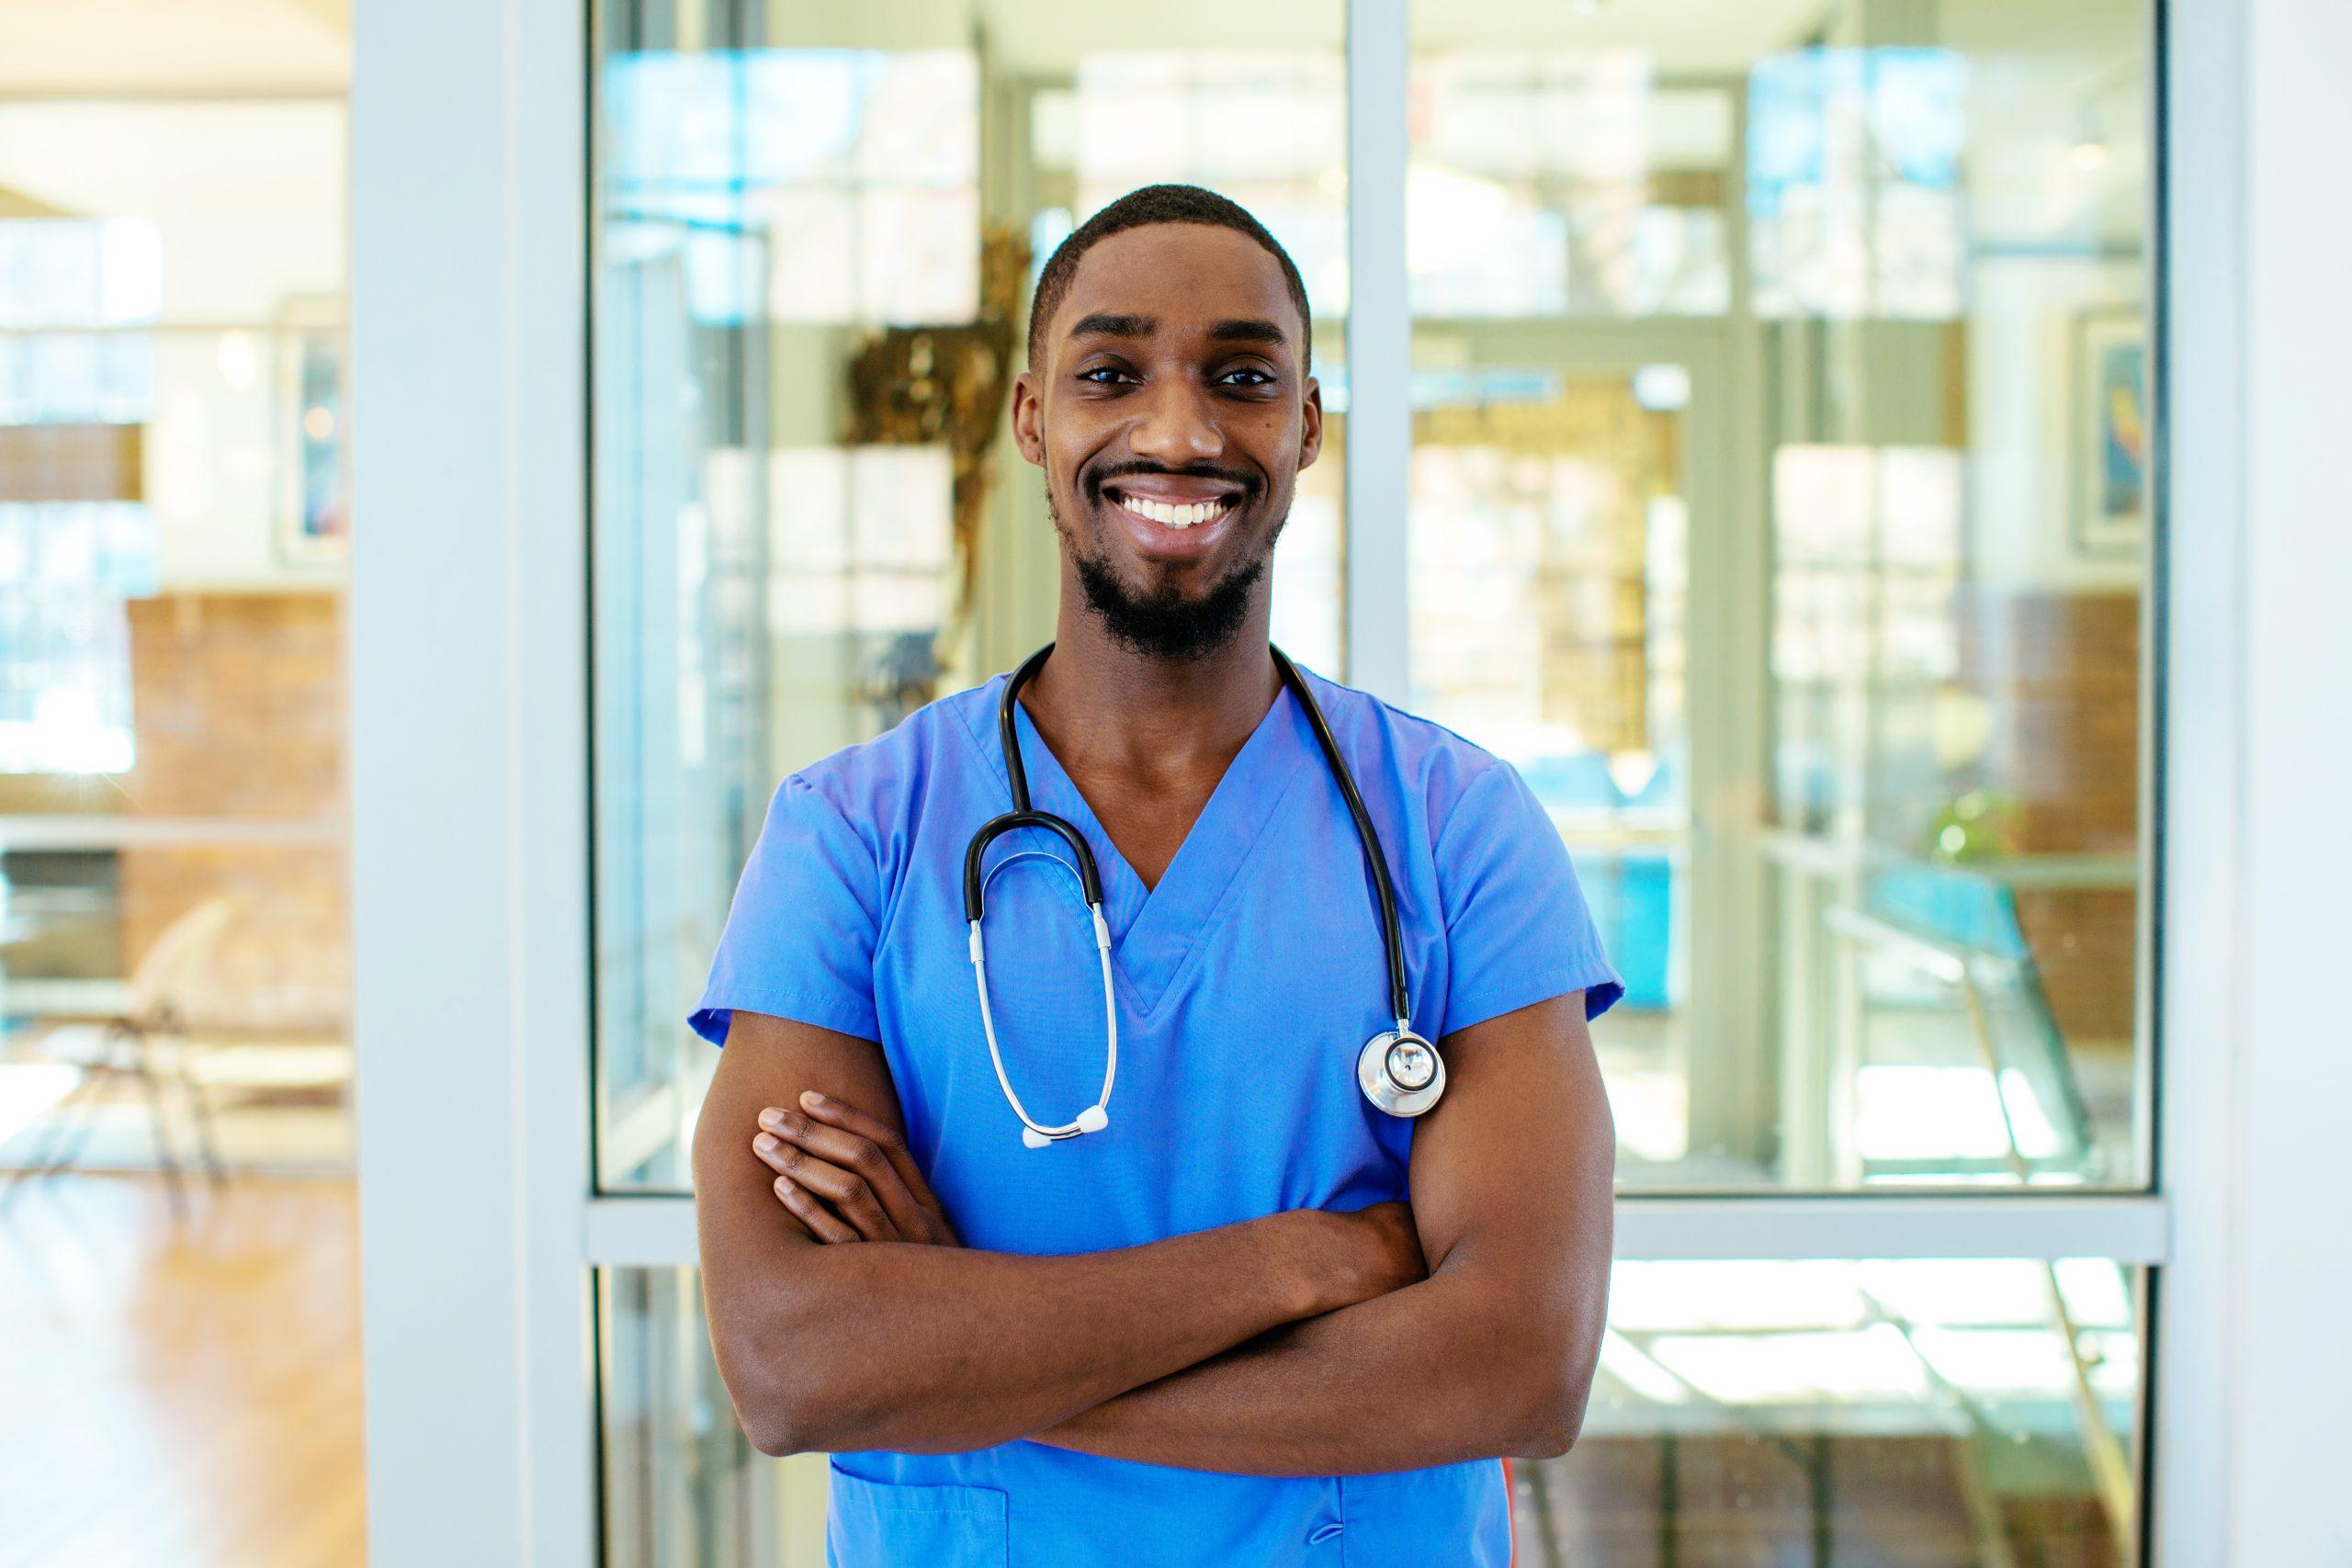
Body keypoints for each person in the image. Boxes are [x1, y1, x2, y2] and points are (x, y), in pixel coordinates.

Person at [688, 182, 1624, 1567]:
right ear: (1031, 419)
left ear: (1307, 426)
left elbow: (1518, 1368)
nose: (1180, 430)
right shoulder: (855, 832)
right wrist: (1307, 1262)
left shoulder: (1458, 827)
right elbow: (791, 1366)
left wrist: (970, 1342)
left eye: (1242, 377)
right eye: (1111, 373)